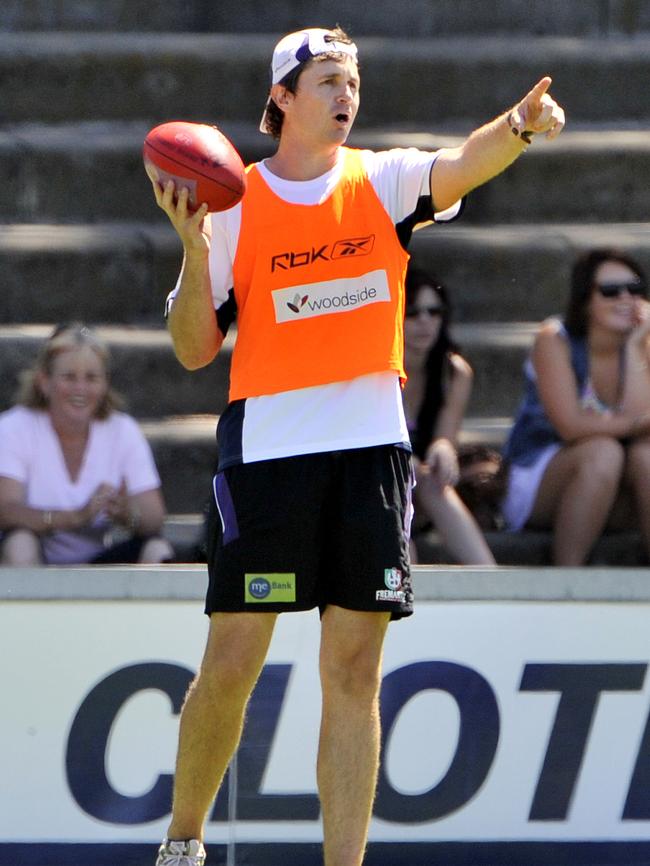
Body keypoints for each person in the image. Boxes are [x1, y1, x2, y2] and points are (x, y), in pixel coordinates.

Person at [149, 25, 565, 866]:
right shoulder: (234, 204)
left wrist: (517, 126)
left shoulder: (380, 179)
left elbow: (462, 161)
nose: (347, 95)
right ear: (283, 99)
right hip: (268, 455)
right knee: (232, 660)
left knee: (354, 673)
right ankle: (182, 845)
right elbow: (193, 348)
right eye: (329, 80)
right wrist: (195, 251)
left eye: (354, 81)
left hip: (371, 454)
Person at [502, 248, 650, 565]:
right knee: (603, 452)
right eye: (610, 291)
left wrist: (638, 347)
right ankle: (566, 579)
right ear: (585, 300)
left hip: (618, 481)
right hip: (543, 475)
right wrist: (636, 425)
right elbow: (571, 426)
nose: (625, 298)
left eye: (635, 289)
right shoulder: (555, 339)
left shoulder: (644, 342)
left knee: (645, 455)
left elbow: (639, 424)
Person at [0, 323, 174, 566]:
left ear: (104, 385)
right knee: (19, 545)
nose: (80, 389)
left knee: (156, 549)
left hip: (100, 559)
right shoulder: (15, 427)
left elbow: (154, 518)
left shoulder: (122, 430)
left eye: (91, 378)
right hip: (35, 555)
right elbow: (6, 510)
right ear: (44, 382)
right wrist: (72, 518)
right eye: (69, 377)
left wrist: (126, 513)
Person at [402, 265, 495, 564]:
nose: (425, 322)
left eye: (434, 311)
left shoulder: (453, 371)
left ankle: (488, 577)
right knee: (408, 472)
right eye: (412, 312)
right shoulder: (376, 370)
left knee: (430, 480)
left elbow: (444, 437)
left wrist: (443, 449)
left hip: (424, 490)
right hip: (377, 487)